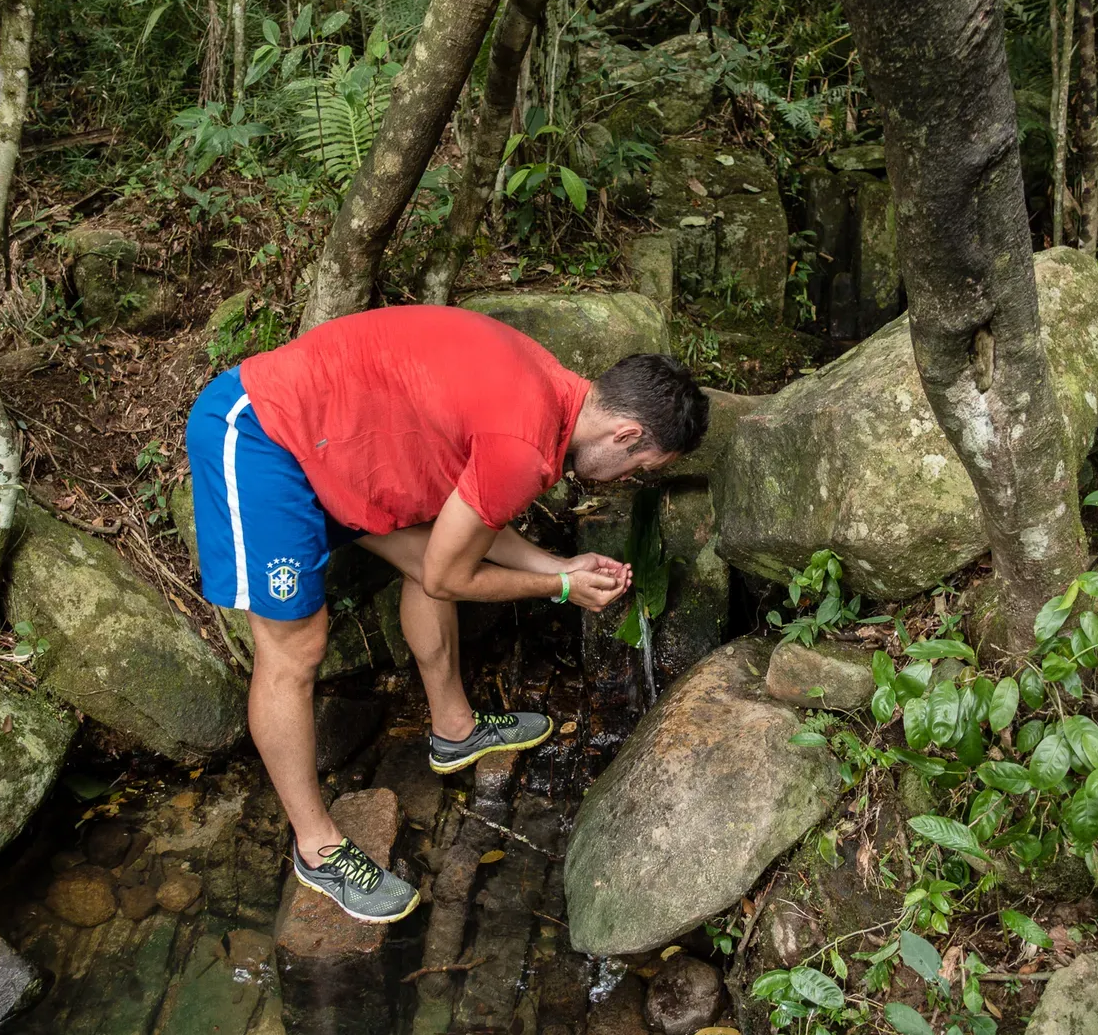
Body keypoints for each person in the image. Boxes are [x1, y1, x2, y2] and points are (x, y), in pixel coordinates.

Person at [184, 304, 709, 924]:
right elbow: (447, 576)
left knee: (429, 551)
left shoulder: (551, 394)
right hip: (264, 437)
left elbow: (466, 531)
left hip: (340, 446)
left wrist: (557, 564)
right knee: (295, 649)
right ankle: (316, 846)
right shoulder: (525, 444)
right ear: (624, 434)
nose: (625, 481)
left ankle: (454, 729)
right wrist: (561, 587)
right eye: (639, 467)